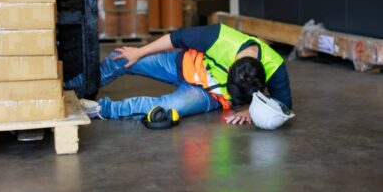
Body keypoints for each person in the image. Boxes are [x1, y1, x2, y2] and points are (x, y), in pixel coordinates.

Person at [65, 24, 292, 125]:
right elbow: (177, 38)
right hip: (182, 63)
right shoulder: (219, 37)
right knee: (124, 59)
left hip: (206, 95)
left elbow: (284, 107)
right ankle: (76, 88)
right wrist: (139, 52)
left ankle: (97, 109)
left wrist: (250, 111)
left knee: (162, 108)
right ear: (231, 66)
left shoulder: (275, 67)